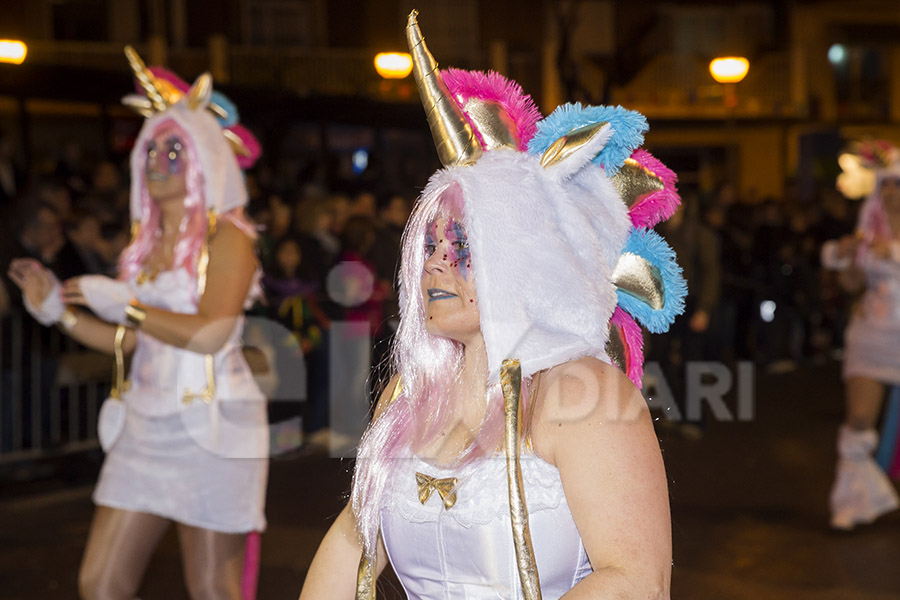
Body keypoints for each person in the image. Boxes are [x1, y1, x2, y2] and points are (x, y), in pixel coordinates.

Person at [300, 12, 686, 599]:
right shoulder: (410, 395)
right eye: (430, 244)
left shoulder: (590, 396)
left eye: (463, 246)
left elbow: (635, 580)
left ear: (526, 261)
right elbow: (354, 540)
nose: (434, 263)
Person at [8, 47, 267, 599]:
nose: (158, 159)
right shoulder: (143, 248)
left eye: (175, 149)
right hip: (143, 429)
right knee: (99, 584)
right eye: (152, 147)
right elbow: (132, 340)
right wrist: (59, 312)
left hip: (212, 428)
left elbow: (210, 332)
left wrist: (128, 305)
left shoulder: (229, 239)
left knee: (213, 592)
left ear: (203, 159)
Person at [823, 140, 900, 530]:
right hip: (873, 337)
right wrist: (849, 256)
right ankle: (854, 503)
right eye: (884, 184)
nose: (890, 192)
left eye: (897, 184)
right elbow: (851, 284)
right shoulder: (868, 230)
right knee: (858, 417)